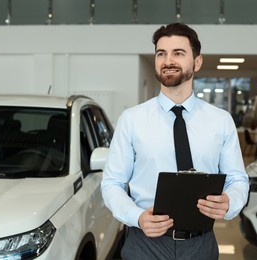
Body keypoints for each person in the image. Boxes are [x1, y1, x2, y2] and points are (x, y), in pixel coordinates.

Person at [101, 22, 249, 259]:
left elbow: (237, 178)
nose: (168, 60)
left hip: (200, 245)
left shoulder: (221, 121)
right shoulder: (132, 120)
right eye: (161, 53)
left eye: (178, 53)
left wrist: (230, 202)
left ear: (197, 62)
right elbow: (111, 184)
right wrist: (137, 216)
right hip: (145, 243)